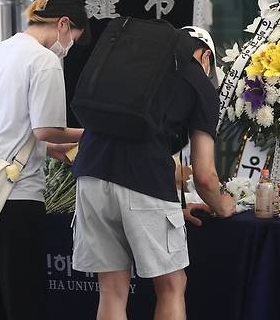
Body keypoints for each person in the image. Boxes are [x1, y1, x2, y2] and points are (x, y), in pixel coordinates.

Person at [72, 25, 235, 320]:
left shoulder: (132, 68)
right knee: (172, 285)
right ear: (206, 56)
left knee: (111, 289)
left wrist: (174, 207)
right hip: (143, 181)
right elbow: (205, 174)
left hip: (90, 175)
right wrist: (223, 205)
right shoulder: (199, 83)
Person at [0, 0, 90, 320]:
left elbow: (6, 126)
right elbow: (44, 128)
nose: (70, 45)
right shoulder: (44, 61)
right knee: (24, 300)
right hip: (16, 195)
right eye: (74, 37)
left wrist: (49, 150)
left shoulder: (0, 50)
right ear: (63, 24)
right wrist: (95, 133)